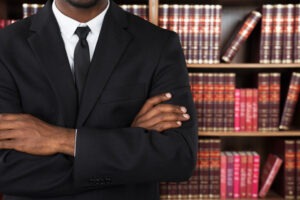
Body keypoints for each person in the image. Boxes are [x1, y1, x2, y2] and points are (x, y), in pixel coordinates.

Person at [0, 0, 198, 199]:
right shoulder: (5, 46)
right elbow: (6, 169)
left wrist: (61, 139)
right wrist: (129, 142)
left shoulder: (158, 44)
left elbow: (178, 157)